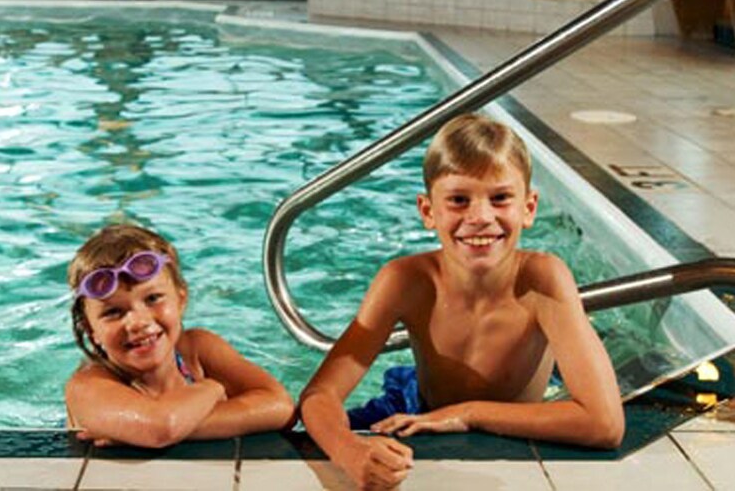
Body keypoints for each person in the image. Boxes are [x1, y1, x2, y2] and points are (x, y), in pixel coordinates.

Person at [300, 113, 624, 488]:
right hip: (413, 407)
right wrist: (350, 452)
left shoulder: (542, 281)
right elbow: (319, 395)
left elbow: (605, 424)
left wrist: (467, 414)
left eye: (501, 198)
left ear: (529, 208)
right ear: (428, 212)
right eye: (458, 200)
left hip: (497, 416)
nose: (481, 217)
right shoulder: (405, 281)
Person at [65, 223, 295, 447]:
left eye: (153, 298)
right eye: (113, 312)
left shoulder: (196, 350)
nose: (138, 322)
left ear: (181, 300)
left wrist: (148, 432)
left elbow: (282, 406)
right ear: (90, 330)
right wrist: (212, 389)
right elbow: (159, 429)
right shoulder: (88, 386)